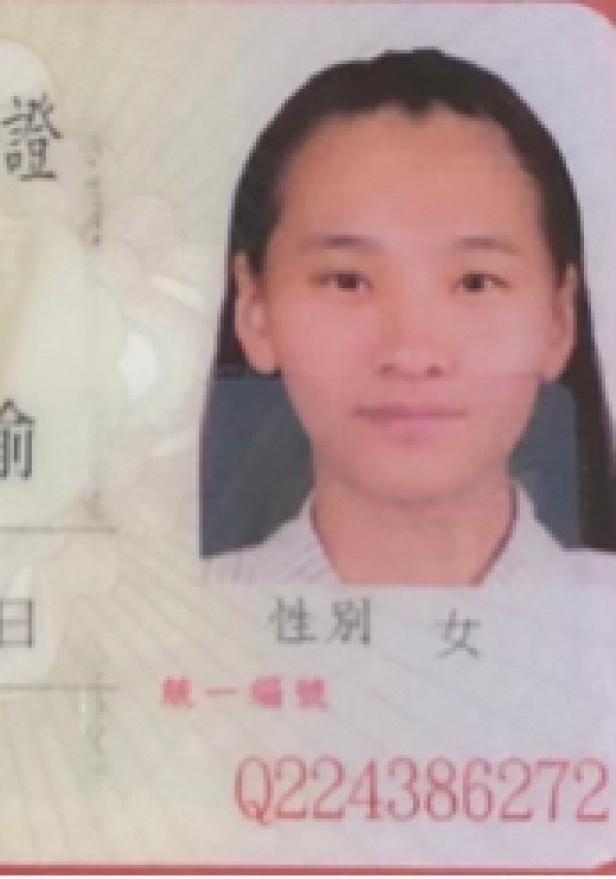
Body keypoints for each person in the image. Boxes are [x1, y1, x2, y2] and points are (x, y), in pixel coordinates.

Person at [202, 48, 616, 586]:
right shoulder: (173, 617)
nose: (413, 354)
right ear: (256, 311)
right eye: (348, 281)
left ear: (558, 321)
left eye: (475, 283)